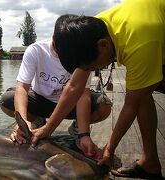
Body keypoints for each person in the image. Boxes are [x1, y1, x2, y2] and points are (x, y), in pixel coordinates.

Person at [31, 0, 164, 179]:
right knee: (143, 94)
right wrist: (47, 128)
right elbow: (73, 86)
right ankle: (150, 162)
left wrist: (109, 149)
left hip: (151, 36)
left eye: (89, 67)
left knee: (140, 96)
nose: (88, 72)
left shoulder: (139, 41)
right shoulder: (91, 30)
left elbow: (131, 105)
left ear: (103, 45)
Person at [0, 15, 112, 159]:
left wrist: (84, 134)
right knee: (7, 100)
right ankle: (36, 121)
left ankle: (77, 128)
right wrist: (22, 122)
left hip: (69, 105)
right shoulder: (35, 50)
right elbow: (22, 87)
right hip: (42, 100)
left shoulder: (81, 52)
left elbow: (82, 94)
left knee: (104, 106)